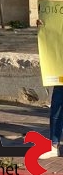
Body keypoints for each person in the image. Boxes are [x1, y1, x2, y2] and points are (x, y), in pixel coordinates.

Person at [37, 14, 62, 159]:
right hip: (60, 69)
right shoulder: (57, 12)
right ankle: (54, 146)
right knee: (57, 109)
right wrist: (44, 27)